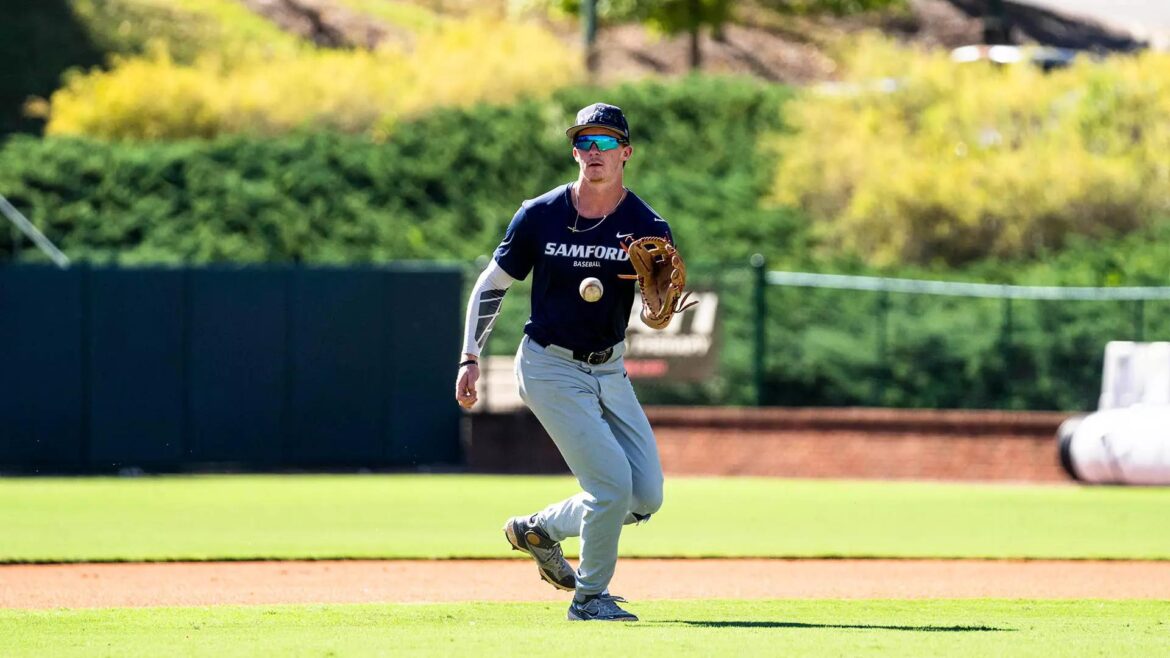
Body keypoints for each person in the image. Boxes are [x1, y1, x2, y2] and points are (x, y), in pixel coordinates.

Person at [454, 103, 676, 622]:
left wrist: (657, 301)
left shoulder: (646, 225)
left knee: (644, 495)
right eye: (583, 142)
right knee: (610, 486)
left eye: (604, 143)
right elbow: (492, 286)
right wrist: (470, 357)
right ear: (575, 150)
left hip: (609, 368)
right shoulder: (541, 213)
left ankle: (539, 530)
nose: (592, 152)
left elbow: (657, 298)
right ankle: (590, 598)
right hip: (549, 367)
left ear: (626, 153)